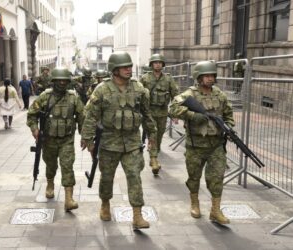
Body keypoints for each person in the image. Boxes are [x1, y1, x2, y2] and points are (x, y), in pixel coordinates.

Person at [81, 51, 157, 229]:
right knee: (107, 177)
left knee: (134, 176)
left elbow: (147, 114)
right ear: (114, 70)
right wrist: (88, 139)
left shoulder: (139, 89)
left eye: (129, 66)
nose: (128, 69)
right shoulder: (102, 90)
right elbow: (91, 115)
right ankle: (105, 204)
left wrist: (152, 134)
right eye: (124, 67)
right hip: (109, 143)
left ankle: (137, 215)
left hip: (132, 142)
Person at [169, 61, 235, 224]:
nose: (210, 78)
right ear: (198, 77)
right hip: (196, 146)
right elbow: (172, 108)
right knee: (194, 177)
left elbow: (228, 115)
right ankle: (195, 203)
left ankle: (215, 210)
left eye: (212, 75)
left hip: (216, 146)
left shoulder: (220, 95)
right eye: (206, 76)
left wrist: (229, 128)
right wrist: (192, 115)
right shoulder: (189, 94)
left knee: (217, 178)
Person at [27, 67, 84, 211]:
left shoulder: (73, 97)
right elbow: (31, 113)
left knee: (67, 166)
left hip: (67, 140)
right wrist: (35, 129)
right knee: (51, 165)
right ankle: (50, 183)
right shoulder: (45, 97)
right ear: (54, 81)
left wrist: (85, 136)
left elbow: (83, 116)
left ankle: (69, 199)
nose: (62, 83)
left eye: (65, 81)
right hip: (49, 140)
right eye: (59, 81)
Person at [140, 54, 179, 175]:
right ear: (151, 64)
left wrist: (175, 113)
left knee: (160, 134)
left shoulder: (168, 79)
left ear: (162, 64)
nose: (157, 64)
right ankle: (154, 159)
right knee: (153, 133)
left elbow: (175, 96)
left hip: (162, 112)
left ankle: (154, 151)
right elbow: (138, 94)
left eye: (159, 62)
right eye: (155, 62)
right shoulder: (145, 78)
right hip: (149, 112)